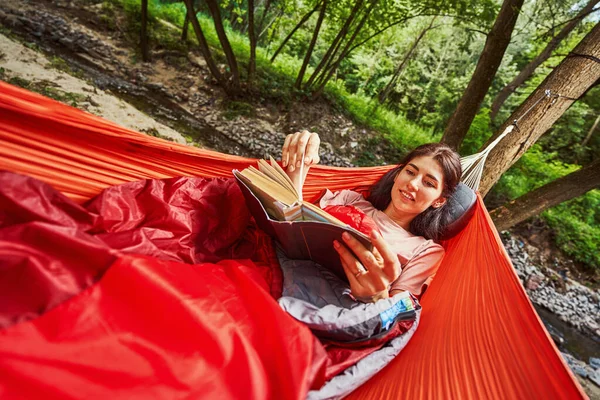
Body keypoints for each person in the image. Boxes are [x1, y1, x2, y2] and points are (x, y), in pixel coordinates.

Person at [281, 130, 462, 303]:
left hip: (339, 307)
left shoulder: (425, 251)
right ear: (397, 174)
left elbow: (396, 310)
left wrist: (376, 295)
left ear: (438, 201)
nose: (413, 184)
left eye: (428, 183)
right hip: (289, 273)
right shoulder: (349, 199)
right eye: (410, 172)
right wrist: (299, 163)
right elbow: (293, 221)